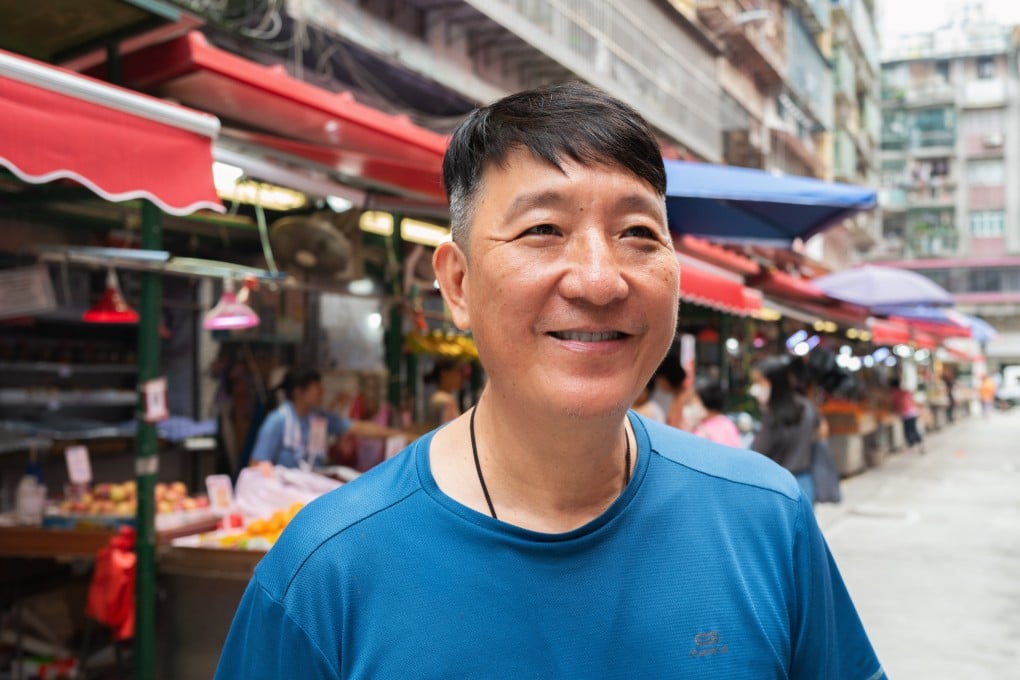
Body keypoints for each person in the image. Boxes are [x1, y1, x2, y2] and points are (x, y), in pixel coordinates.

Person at [215, 82, 884, 679]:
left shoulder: (765, 518)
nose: (599, 279)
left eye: (637, 233)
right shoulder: (326, 572)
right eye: (543, 229)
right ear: (458, 283)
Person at [249, 366, 403, 471]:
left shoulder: (319, 417)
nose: (322, 392)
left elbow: (358, 428)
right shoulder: (277, 421)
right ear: (298, 393)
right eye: (317, 389)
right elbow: (256, 465)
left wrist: (398, 434)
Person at [750, 356, 825, 504]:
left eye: (759, 382)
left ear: (774, 382)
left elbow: (758, 454)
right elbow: (822, 431)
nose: (756, 387)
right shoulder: (807, 406)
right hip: (805, 483)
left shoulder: (773, 416)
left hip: (777, 486)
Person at [691, 377, 742, 447]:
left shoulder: (703, 431)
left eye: (695, 401)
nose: (693, 405)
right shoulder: (729, 424)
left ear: (705, 403)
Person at [889, 376, 925, 454]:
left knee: (909, 431)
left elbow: (896, 404)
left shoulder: (895, 393)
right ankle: (918, 445)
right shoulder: (904, 392)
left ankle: (913, 446)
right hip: (913, 412)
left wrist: (896, 411)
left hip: (907, 414)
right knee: (913, 430)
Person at [424, 359, 464, 428]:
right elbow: (451, 430)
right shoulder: (445, 400)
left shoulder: (441, 397)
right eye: (457, 372)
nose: (460, 376)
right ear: (444, 374)